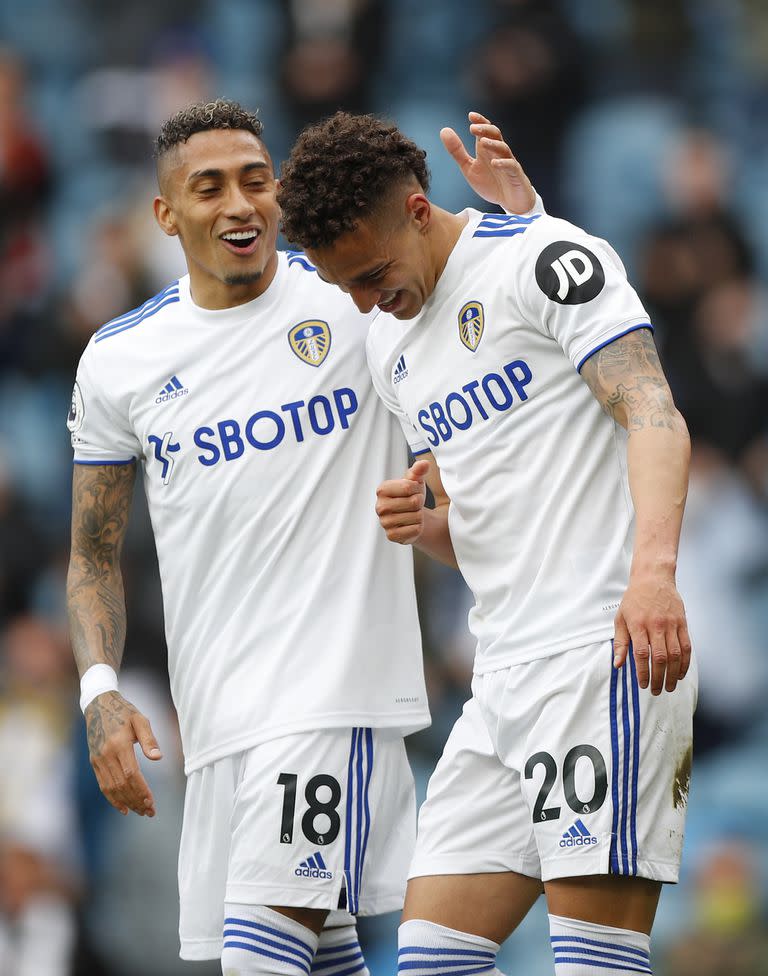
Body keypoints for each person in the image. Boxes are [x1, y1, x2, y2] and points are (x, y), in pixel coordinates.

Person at [65, 99, 539, 974]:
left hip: (334, 697)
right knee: (319, 960)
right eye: (209, 189)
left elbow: (497, 305)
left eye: (256, 180)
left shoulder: (351, 295)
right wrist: (99, 689)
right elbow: (92, 552)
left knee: (258, 962)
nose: (241, 205)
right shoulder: (119, 361)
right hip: (218, 721)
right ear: (166, 214)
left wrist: (527, 218)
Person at [278, 111, 697, 976]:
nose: (363, 302)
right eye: (341, 286)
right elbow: (496, 533)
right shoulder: (392, 347)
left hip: (600, 652)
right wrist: (428, 528)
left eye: (372, 274)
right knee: (433, 960)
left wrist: (653, 576)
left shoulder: (539, 260)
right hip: (500, 677)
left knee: (595, 963)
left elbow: (653, 411)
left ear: (420, 212)